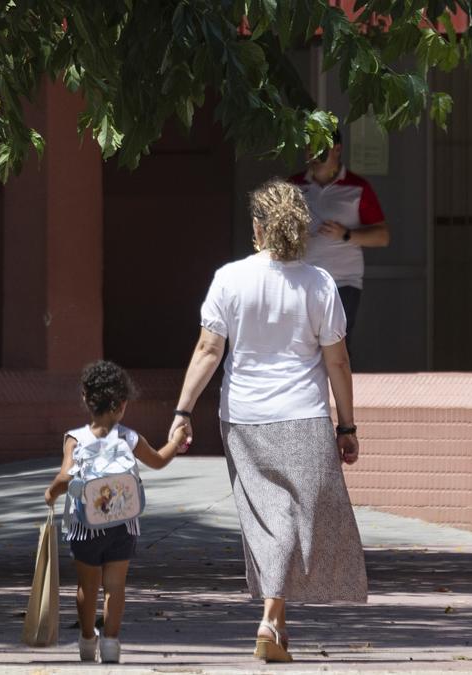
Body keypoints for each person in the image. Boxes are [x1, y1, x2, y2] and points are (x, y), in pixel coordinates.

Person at [169, 178, 367, 663]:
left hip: (244, 418)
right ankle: (270, 621)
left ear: (258, 228)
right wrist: (347, 426)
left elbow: (208, 349)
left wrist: (183, 410)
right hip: (303, 416)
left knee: (267, 518)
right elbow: (337, 362)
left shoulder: (229, 279)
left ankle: (274, 624)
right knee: (296, 520)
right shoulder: (319, 283)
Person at [44, 360, 189, 664]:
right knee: (115, 587)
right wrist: (176, 442)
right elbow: (160, 460)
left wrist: (50, 493)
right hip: (124, 524)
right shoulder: (129, 437)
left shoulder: (75, 438)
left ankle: (86, 640)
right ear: (122, 404)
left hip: (85, 527)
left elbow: (65, 476)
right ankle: (110, 642)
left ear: (85, 398)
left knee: (87, 586)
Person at [289, 128, 389, 339]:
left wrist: (346, 234)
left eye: (321, 148)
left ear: (337, 149)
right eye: (309, 148)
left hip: (343, 282)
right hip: (299, 280)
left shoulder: (358, 187)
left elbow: (382, 236)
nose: (314, 155)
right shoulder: (293, 185)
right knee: (299, 345)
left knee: (337, 345)